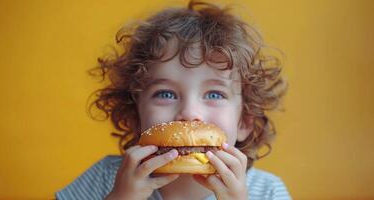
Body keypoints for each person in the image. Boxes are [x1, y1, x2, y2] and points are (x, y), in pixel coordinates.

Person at [56, 0, 291, 199]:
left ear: (244, 123)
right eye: (165, 94)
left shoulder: (267, 191)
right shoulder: (107, 179)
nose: (189, 114)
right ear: (134, 116)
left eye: (214, 94)